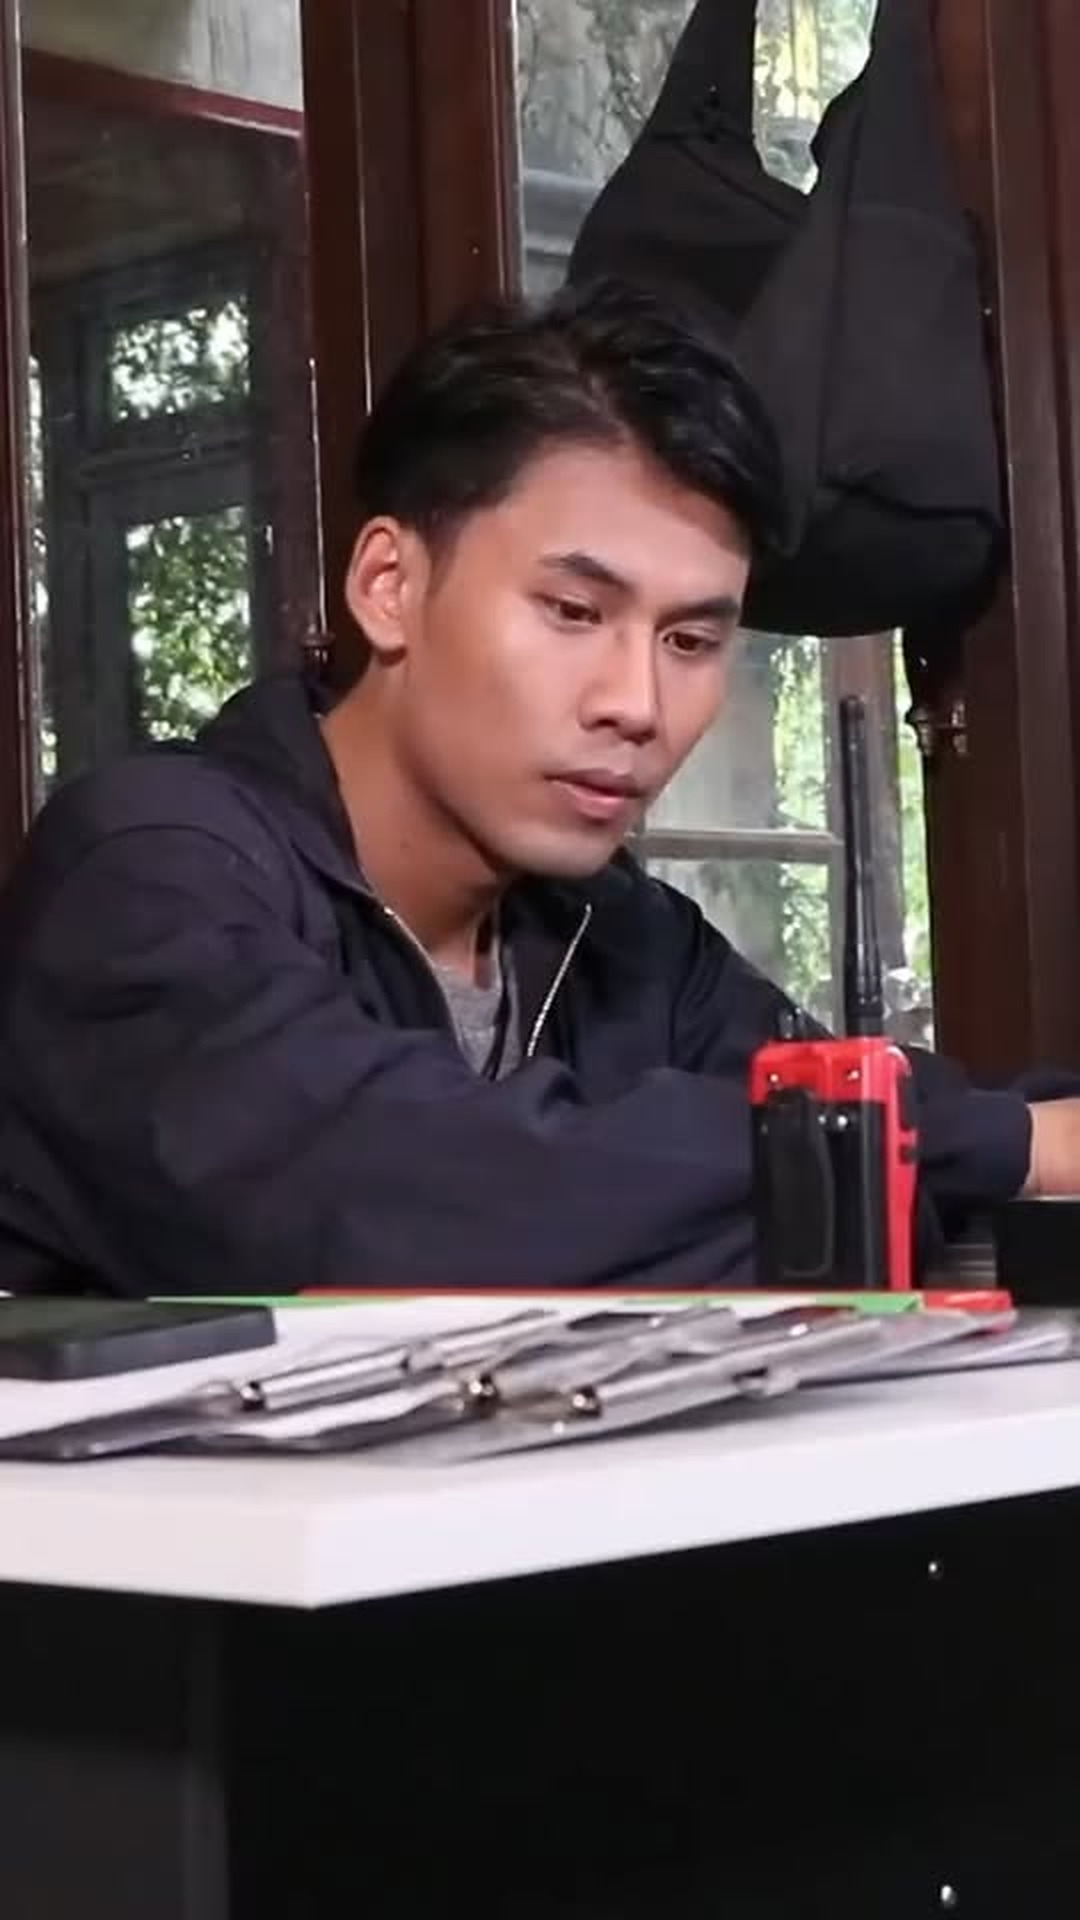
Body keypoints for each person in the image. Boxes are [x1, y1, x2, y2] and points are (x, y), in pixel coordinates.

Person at [1, 278, 1078, 1295]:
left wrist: (1005, 1136)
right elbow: (424, 1211)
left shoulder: (627, 942)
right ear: (388, 586)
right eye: (573, 612)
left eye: (691, 639)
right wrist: (1000, 1146)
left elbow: (856, 1111)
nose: (637, 704)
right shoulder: (145, 877)